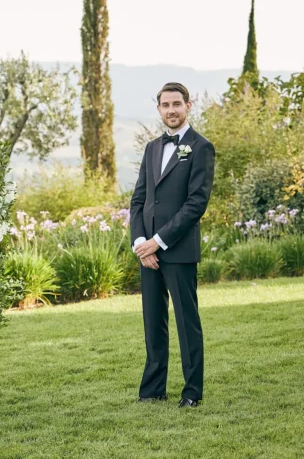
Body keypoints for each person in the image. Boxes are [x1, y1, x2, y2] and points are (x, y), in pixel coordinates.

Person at [129, 82, 216, 408]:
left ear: (188, 105)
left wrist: (158, 242)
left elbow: (196, 204)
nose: (171, 110)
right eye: (165, 105)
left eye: (177, 104)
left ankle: (192, 393)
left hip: (178, 251)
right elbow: (138, 200)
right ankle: (152, 390)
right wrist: (141, 243)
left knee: (186, 323)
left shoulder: (201, 147)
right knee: (153, 324)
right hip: (148, 254)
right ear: (159, 109)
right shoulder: (152, 147)